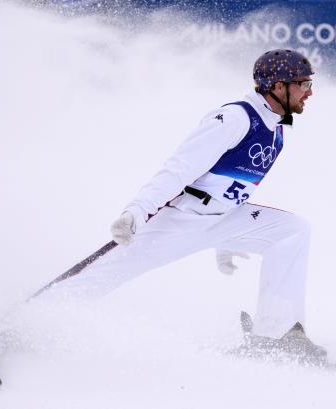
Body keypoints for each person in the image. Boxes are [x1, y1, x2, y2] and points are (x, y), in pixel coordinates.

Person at [48, 49, 315, 339]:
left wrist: (226, 241)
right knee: (101, 275)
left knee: (292, 231)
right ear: (278, 86)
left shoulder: (276, 128)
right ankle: (27, 322)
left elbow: (230, 183)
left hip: (224, 220)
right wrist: (136, 210)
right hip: (182, 219)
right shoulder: (234, 118)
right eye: (304, 83)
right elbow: (179, 169)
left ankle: (276, 334)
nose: (309, 92)